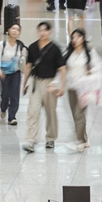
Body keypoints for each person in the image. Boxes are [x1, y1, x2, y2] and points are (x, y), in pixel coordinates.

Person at [22, 22, 66, 152]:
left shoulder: (55, 48)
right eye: (40, 30)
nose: (42, 33)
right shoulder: (33, 47)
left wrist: (61, 86)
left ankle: (50, 138)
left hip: (50, 83)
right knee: (32, 111)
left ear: (49, 32)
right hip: (35, 82)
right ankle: (31, 139)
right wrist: (24, 84)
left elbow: (62, 69)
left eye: (45, 30)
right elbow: (28, 66)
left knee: (50, 112)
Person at [63, 29, 96, 151]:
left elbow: (96, 70)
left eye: (77, 37)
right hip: (71, 88)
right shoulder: (69, 54)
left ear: (83, 38)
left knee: (79, 114)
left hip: (84, 89)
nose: (74, 40)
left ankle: (80, 141)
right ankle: (85, 138)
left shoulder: (88, 54)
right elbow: (63, 70)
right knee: (76, 115)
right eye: (73, 37)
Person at [0, 22, 26, 125]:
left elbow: (23, 59)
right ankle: (3, 108)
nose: (15, 31)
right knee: (5, 95)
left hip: (16, 72)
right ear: (8, 30)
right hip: (4, 73)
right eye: (13, 29)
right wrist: (0, 70)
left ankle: (12, 117)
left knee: (15, 95)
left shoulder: (20, 45)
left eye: (17, 29)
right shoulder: (2, 44)